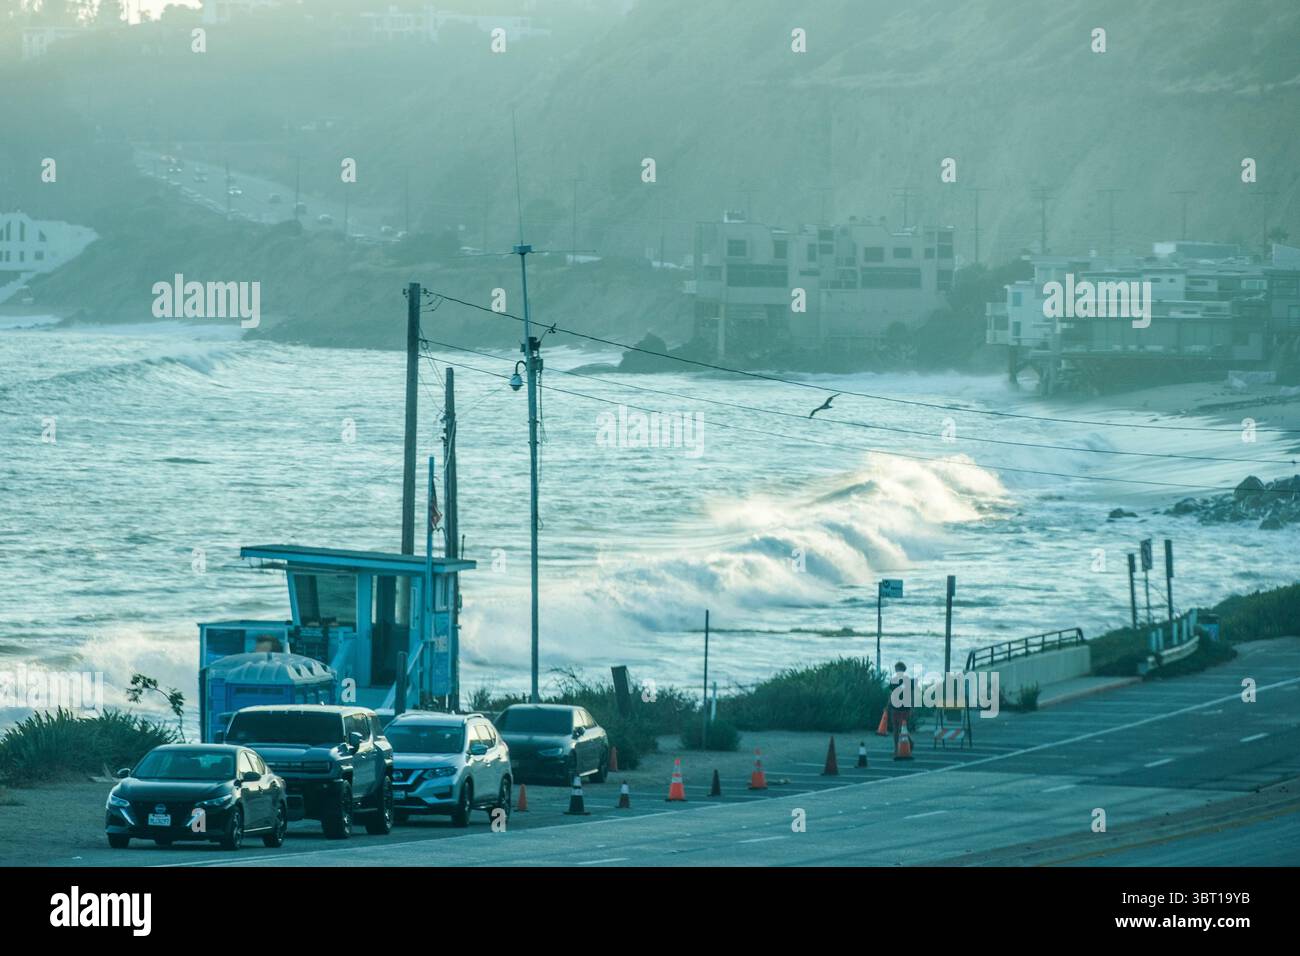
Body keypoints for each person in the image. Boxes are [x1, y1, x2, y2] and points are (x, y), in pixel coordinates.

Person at [887, 661, 912, 750]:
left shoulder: (894, 680)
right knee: (901, 728)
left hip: (897, 707)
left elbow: (891, 694)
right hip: (904, 707)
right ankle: (900, 746)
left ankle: (897, 747)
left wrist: (888, 705)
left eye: (897, 669)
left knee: (897, 728)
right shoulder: (907, 680)